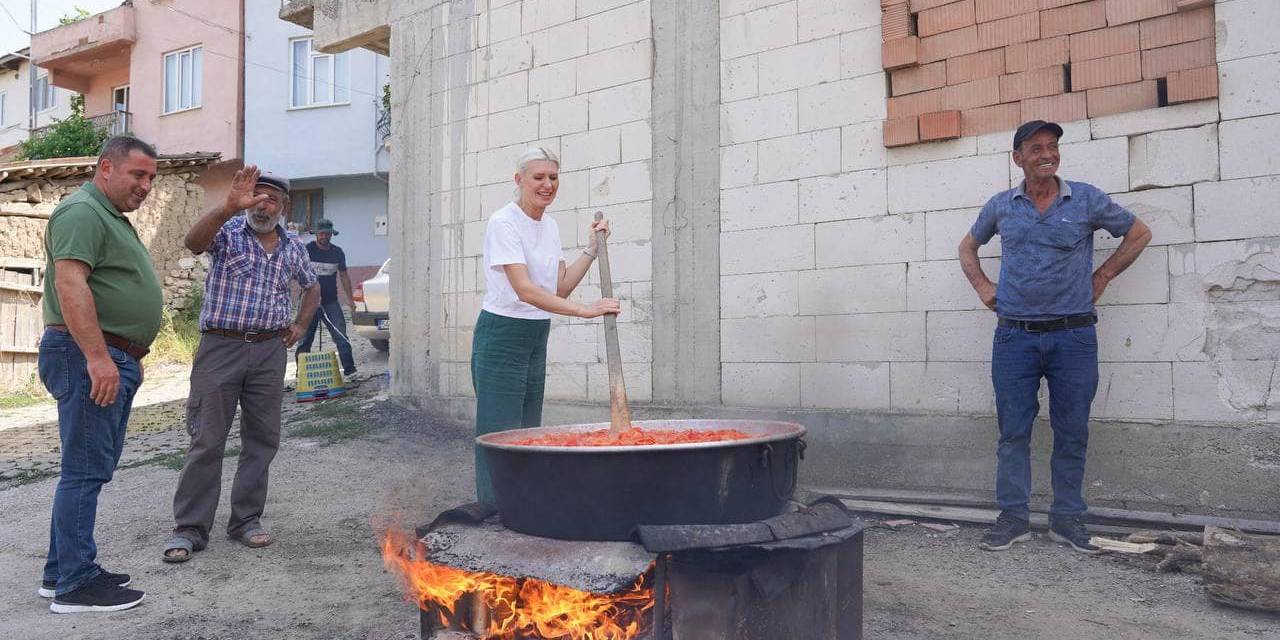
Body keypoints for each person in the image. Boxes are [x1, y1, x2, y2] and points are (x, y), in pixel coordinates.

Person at [959, 121, 1152, 554]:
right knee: (1013, 432)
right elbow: (966, 248)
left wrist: (1103, 274)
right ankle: (1013, 518)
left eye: (1053, 147)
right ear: (1018, 158)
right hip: (1015, 339)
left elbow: (1138, 233)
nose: (1047, 154)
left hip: (1073, 337)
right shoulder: (1001, 206)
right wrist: (983, 288)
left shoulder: (1084, 199)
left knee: (1072, 431)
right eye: (1036, 148)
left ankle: (1067, 519)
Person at [162, 166, 320, 562]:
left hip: (269, 352)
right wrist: (227, 206)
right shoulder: (228, 233)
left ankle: (246, 520)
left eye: (271, 198)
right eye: (256, 195)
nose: (262, 204)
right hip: (221, 347)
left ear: (284, 207)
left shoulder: (293, 247)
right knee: (207, 438)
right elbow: (192, 242)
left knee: (262, 440)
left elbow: (312, 285)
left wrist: (300, 323)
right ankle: (190, 529)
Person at [38, 136, 162, 613]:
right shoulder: (82, 212)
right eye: (138, 175)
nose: (146, 185)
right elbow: (70, 283)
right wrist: (98, 357)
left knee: (88, 468)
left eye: (151, 177)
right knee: (84, 471)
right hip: (85, 355)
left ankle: (59, 572)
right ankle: (76, 583)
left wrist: (127, 352)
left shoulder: (108, 216)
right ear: (106, 168)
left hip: (108, 354)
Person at [472, 146, 620, 503]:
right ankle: (495, 506)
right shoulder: (503, 222)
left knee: (527, 427)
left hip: (536, 331)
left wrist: (591, 249)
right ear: (519, 180)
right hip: (502, 332)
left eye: (553, 177)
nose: (547, 184)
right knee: (499, 429)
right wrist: (585, 310)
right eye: (538, 177)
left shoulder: (549, 225)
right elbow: (524, 290)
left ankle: (523, 501)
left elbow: (559, 287)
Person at [296, 218, 357, 376]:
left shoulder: (337, 252)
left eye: (327, 234)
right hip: (308, 303)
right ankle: (301, 375)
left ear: (332, 235)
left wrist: (350, 300)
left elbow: (344, 276)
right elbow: (297, 273)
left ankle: (350, 372)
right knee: (304, 339)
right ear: (316, 234)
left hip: (331, 302)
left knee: (341, 336)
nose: (324, 237)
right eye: (321, 234)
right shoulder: (307, 250)